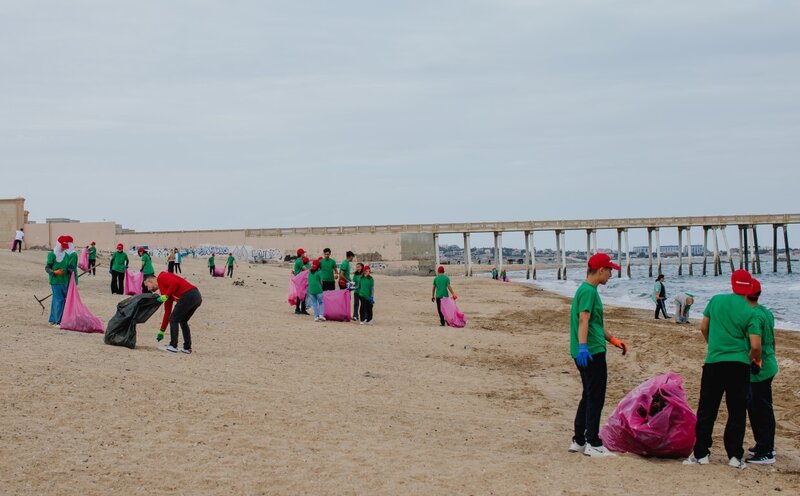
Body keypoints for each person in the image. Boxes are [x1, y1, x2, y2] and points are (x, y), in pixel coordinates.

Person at [684, 269, 762, 469]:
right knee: (736, 411)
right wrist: (756, 359)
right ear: (749, 287)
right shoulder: (750, 311)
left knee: (707, 409)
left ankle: (701, 453)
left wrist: (713, 345)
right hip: (739, 365)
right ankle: (735, 456)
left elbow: (703, 327)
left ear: (732, 283)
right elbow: (755, 345)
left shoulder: (716, 300)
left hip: (714, 362)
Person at [569, 253, 628, 457]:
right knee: (596, 397)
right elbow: (583, 320)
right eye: (610, 270)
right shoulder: (589, 292)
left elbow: (595, 324)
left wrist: (613, 340)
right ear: (601, 270)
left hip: (587, 349)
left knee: (588, 395)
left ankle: (579, 440)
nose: (611, 274)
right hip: (591, 352)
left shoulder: (587, 290)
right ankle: (593, 442)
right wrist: (584, 347)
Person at [745, 279, 778, 465]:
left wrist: (748, 362)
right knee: (759, 405)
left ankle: (766, 451)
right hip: (769, 363)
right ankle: (763, 444)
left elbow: (756, 347)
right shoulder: (766, 312)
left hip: (759, 368)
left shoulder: (753, 316)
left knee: (760, 407)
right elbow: (772, 340)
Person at [144, 272, 202, 354]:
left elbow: (175, 283)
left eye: (147, 286)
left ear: (150, 280)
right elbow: (167, 312)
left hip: (189, 294)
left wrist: (166, 295)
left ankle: (173, 346)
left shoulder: (162, 276)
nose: (149, 289)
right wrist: (162, 330)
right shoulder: (165, 291)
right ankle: (187, 348)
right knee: (182, 320)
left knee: (174, 319)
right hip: (196, 297)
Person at [45, 235, 78, 327]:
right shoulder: (52, 254)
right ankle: (57, 321)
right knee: (59, 300)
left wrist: (71, 270)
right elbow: (47, 268)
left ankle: (53, 319)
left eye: (65, 247)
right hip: (55, 281)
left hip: (65, 281)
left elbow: (68, 268)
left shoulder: (67, 255)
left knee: (60, 300)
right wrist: (54, 272)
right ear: (59, 244)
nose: (64, 248)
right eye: (63, 246)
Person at [293, 250, 309, 315]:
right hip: (300, 279)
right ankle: (298, 309)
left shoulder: (298, 260)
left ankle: (302, 309)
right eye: (303, 253)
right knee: (300, 294)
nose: (304, 254)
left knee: (302, 294)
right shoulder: (299, 261)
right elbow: (305, 269)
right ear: (301, 254)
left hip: (300, 279)